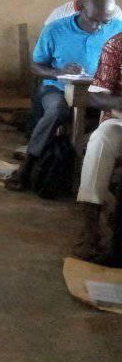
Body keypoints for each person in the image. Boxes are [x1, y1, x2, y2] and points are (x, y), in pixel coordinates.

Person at [8, 0, 122, 191]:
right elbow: (35, 66)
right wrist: (59, 72)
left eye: (105, 21)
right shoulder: (56, 29)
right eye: (93, 20)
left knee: (109, 116)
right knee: (57, 110)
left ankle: (98, 177)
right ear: (81, 9)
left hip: (98, 91)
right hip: (57, 87)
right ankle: (27, 166)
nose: (98, 27)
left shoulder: (116, 29)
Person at [76, 29, 122, 265]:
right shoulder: (116, 45)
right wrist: (117, 102)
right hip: (120, 120)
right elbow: (96, 96)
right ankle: (90, 226)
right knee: (101, 138)